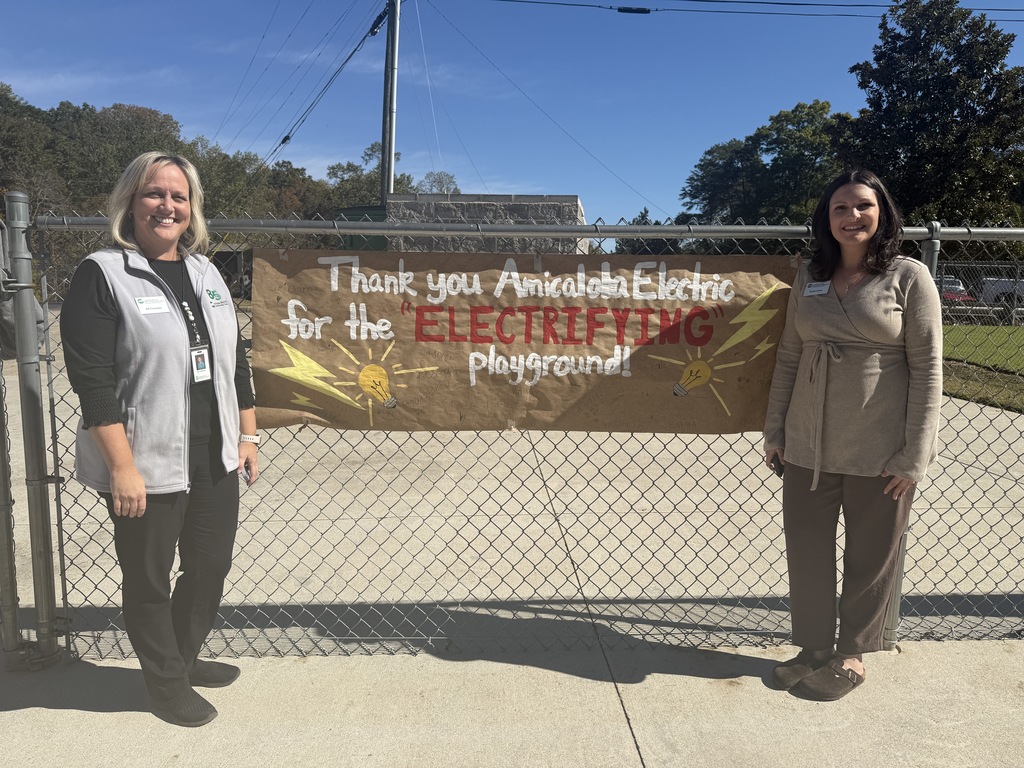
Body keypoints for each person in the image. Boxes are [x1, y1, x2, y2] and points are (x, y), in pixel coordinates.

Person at [61, 151, 260, 727]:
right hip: (145, 457)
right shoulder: (103, 274)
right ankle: (165, 684)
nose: (167, 205)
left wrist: (248, 435)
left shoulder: (205, 271)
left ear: (191, 208)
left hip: (214, 452)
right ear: (130, 201)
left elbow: (233, 358)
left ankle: (183, 657)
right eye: (155, 193)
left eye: (179, 196)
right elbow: (93, 381)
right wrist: (122, 468)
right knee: (147, 577)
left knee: (209, 565)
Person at [762, 169, 942, 701]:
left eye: (863, 206)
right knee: (808, 550)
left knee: (871, 556)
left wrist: (915, 454)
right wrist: (776, 429)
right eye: (840, 208)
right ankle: (814, 648)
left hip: (880, 449)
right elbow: (790, 355)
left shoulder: (908, 277)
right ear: (827, 218)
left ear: (881, 212)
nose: (852, 216)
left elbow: (929, 368)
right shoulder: (809, 274)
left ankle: (852, 655)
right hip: (808, 443)